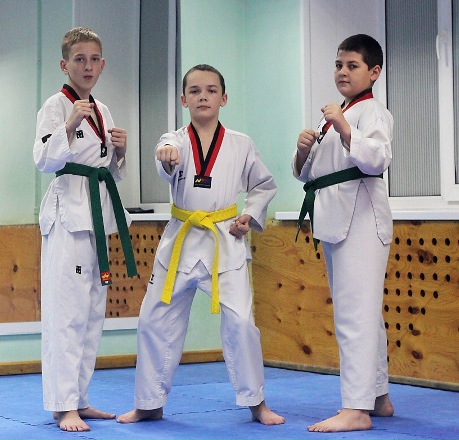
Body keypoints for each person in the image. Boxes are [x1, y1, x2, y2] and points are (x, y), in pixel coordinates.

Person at [117, 64, 284, 426]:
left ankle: (256, 402)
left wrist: (249, 215)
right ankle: (149, 403)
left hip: (225, 239)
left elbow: (264, 185)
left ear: (224, 98)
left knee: (241, 322)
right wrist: (165, 154)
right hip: (181, 238)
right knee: (152, 320)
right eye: (194, 91)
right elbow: (165, 153)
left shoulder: (241, 143)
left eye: (211, 90)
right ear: (183, 100)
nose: (203, 96)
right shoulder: (175, 140)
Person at [33, 27, 136, 432]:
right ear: (65, 64)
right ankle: (63, 405)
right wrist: (68, 125)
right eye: (79, 59)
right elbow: (43, 159)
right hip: (68, 216)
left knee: (92, 312)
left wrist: (120, 153)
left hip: (98, 214)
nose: (87, 66)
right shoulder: (55, 106)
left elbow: (109, 168)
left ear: (103, 64)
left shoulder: (103, 109)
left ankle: (79, 398)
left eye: (94, 59)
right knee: (67, 313)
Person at [293, 34, 395, 432]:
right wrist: (303, 150)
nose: (342, 72)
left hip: (362, 218)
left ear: (374, 72)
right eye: (338, 65)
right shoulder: (336, 115)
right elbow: (307, 173)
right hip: (336, 216)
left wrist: (344, 127)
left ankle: (356, 408)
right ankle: (378, 396)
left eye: (352, 65)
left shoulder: (372, 112)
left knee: (355, 314)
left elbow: (378, 158)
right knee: (363, 312)